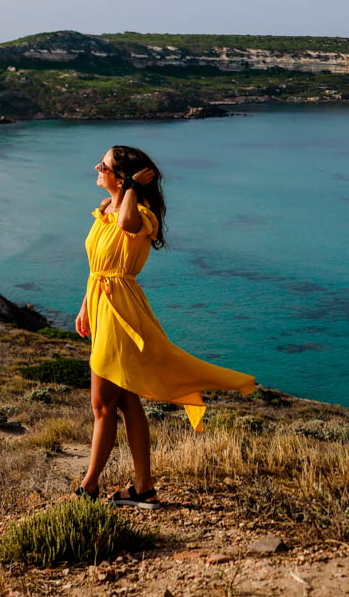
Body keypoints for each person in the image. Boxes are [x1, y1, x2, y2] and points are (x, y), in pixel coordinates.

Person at [74, 145, 257, 509]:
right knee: (126, 400)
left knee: (102, 405)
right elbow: (98, 266)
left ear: (123, 178)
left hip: (121, 313)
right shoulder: (105, 209)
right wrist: (85, 307)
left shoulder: (141, 215)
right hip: (102, 306)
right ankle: (144, 488)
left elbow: (126, 226)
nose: (96, 167)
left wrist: (130, 189)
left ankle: (88, 487)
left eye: (104, 166)